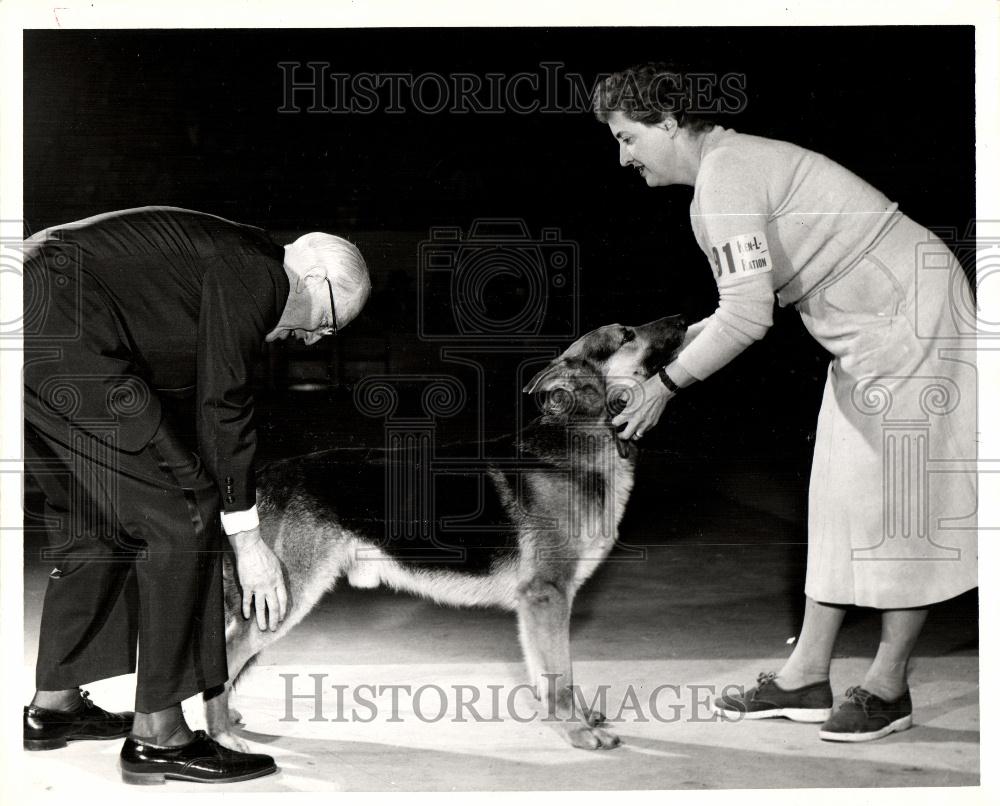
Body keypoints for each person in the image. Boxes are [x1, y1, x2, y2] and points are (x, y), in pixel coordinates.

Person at [593, 64, 977, 742]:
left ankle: (888, 687)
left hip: (912, 314)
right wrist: (664, 360)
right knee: (834, 492)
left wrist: (666, 386)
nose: (623, 157)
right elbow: (735, 309)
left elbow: (748, 320)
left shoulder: (728, 176)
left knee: (902, 500)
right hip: (864, 327)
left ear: (670, 124)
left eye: (627, 138)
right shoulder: (720, 181)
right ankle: (806, 674)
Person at [22, 206, 370, 782]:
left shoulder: (221, 261)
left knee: (97, 519)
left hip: (31, 317)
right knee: (183, 516)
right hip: (61, 323)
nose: (313, 337)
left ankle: (54, 706)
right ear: (315, 280)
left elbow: (192, 402)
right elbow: (225, 404)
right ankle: (159, 733)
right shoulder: (259, 273)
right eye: (328, 321)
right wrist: (249, 540)